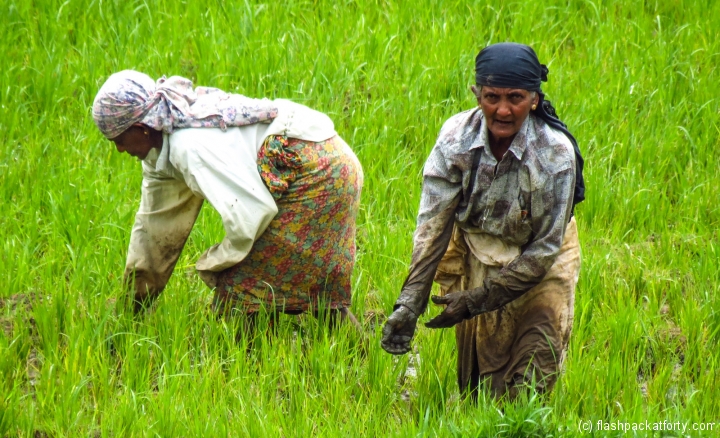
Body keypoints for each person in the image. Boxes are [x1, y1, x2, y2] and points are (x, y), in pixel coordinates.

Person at [380, 43, 584, 399]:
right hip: (477, 254)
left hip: (542, 265)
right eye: (491, 96)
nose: (502, 110)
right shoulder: (455, 140)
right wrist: (410, 304)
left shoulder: (555, 155)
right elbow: (434, 227)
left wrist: (476, 300)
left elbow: (545, 249)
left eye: (515, 98)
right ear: (477, 94)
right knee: (482, 391)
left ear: (534, 99)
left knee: (532, 381)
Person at [92, 70, 363, 327]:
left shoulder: (189, 146)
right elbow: (153, 231)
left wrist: (217, 261)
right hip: (326, 160)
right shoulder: (161, 146)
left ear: (142, 127)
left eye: (119, 139)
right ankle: (357, 351)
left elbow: (250, 214)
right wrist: (130, 310)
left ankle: (253, 367)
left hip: (316, 171)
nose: (118, 149)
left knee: (240, 291)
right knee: (303, 284)